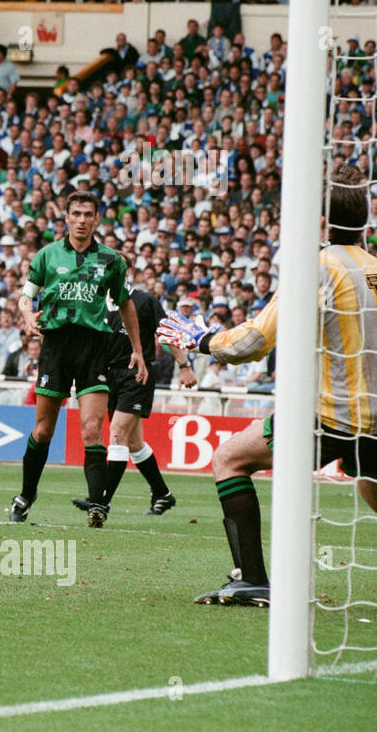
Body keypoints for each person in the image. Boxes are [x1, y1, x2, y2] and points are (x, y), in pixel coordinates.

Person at [159, 164, 377, 607]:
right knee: (370, 486)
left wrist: (201, 340)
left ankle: (254, 579)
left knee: (229, 459)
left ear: (320, 219)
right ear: (365, 221)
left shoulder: (317, 268)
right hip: (376, 419)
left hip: (330, 417)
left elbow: (254, 342)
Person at [10, 190, 146, 528]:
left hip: (93, 347)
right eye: (77, 214)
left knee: (91, 429)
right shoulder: (47, 255)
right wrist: (27, 317)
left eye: (89, 214)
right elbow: (26, 296)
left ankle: (98, 504)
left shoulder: (112, 260)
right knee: (43, 430)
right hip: (56, 346)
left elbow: (126, 303)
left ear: (97, 218)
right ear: (67, 218)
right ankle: (26, 496)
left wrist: (137, 350)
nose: (82, 220)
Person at [72, 283, 196, 516]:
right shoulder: (98, 301)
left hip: (137, 373)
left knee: (117, 434)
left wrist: (184, 365)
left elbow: (166, 334)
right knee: (134, 443)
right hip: (109, 376)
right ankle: (162, 493)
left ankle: (101, 501)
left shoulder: (144, 300)